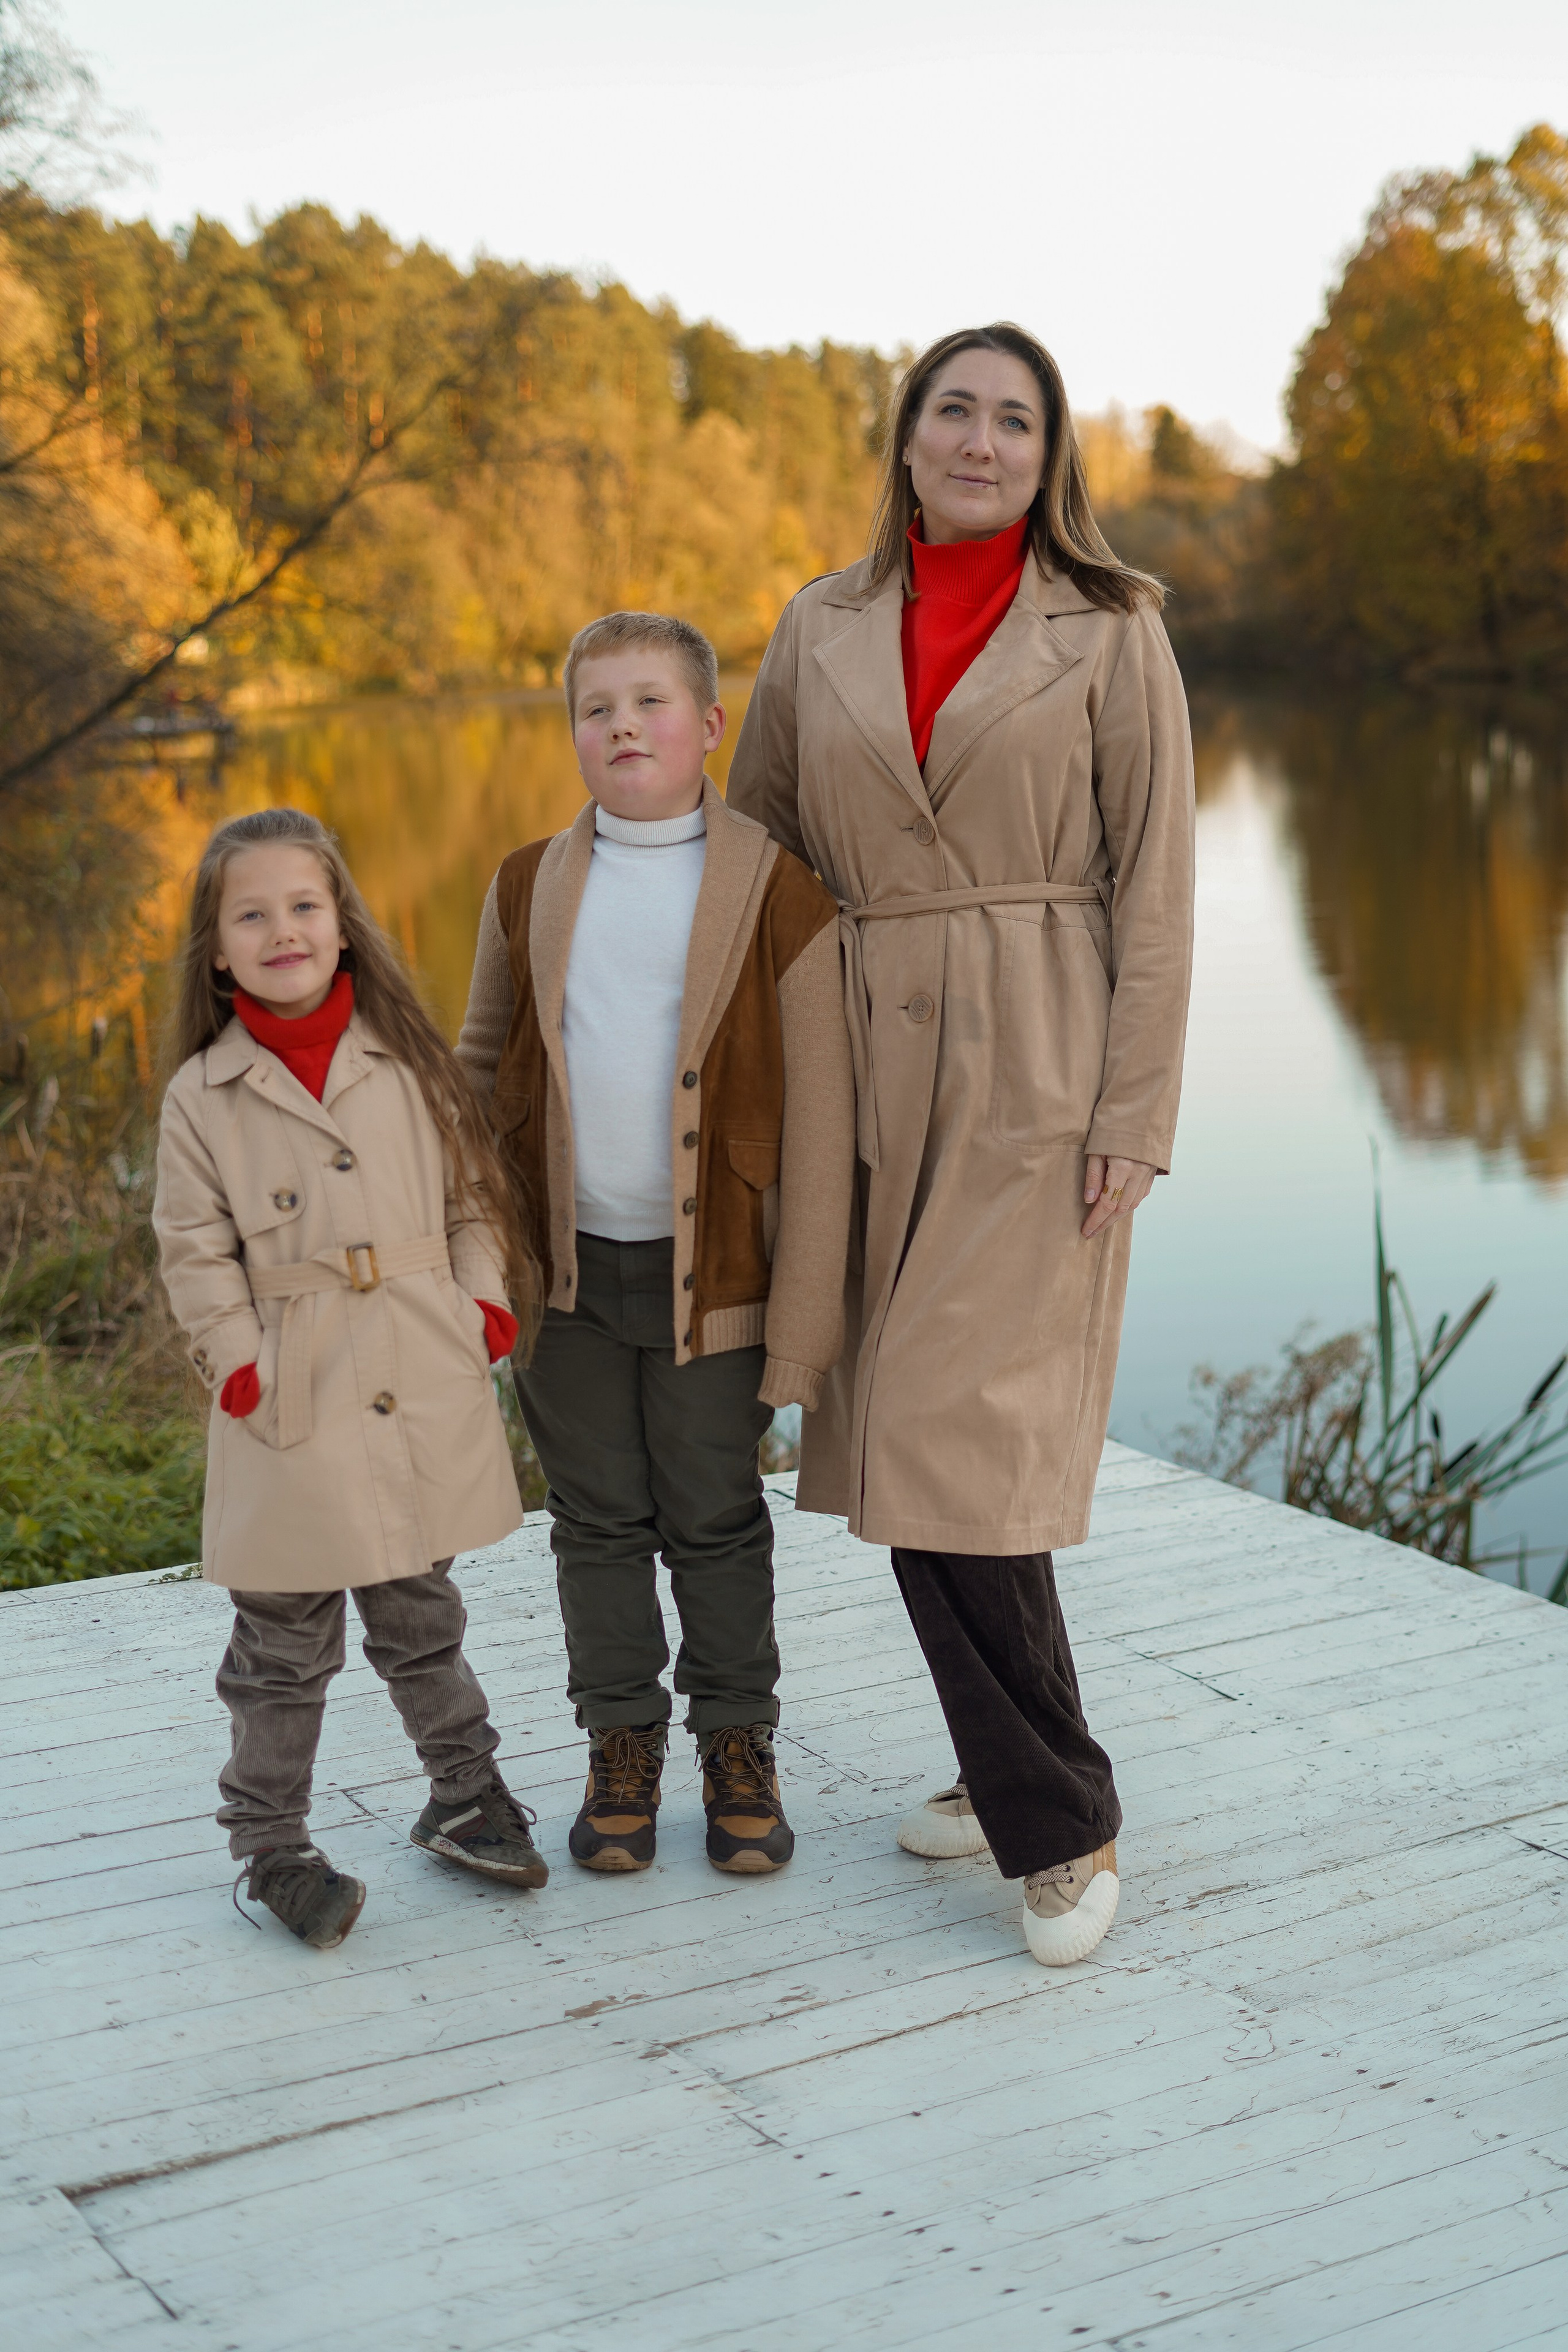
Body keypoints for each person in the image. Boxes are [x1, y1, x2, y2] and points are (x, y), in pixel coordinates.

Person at [727, 323, 1196, 1965]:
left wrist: (1136, 1110)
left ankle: (1057, 1818)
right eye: (955, 411)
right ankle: (1021, 1762)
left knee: (945, 1430)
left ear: (1047, 453)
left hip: (1041, 1057)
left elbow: (1157, 888)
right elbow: (763, 850)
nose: (983, 439)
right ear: (909, 440)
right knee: (947, 1451)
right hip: (865, 1056)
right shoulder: (821, 623)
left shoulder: (1114, 629)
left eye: (1015, 417)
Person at [456, 611, 854, 1877]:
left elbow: (824, 1118)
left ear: (708, 727)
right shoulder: (526, 882)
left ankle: (738, 1741)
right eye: (595, 708)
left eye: (651, 703)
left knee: (718, 1519)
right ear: (572, 732)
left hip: (718, 1284)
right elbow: (477, 1069)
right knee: (593, 1523)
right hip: (562, 1276)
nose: (623, 725)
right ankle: (618, 1744)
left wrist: (799, 1331)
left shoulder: (778, 890)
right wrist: (471, 1254)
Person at [154, 807, 547, 1953]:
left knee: (421, 1607)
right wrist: (236, 1364)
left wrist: (481, 1303)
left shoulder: (407, 1057)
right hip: (293, 1382)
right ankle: (270, 1843)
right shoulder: (202, 1097)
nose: (283, 930)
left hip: (414, 1362)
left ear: (343, 924)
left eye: (304, 906)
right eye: (253, 914)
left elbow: (473, 1196)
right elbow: (194, 1249)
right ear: (218, 949)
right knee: (284, 1639)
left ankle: (466, 1794)